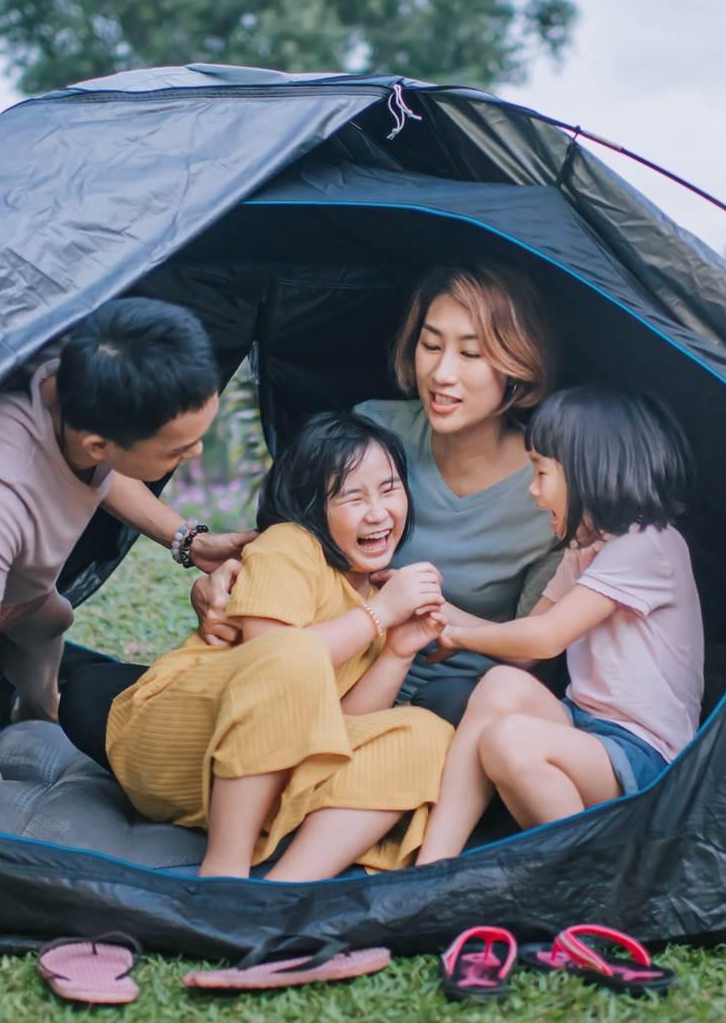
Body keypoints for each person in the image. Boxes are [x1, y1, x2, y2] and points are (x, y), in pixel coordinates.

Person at [190, 264, 561, 725]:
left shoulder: (550, 489)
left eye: (471, 353)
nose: (442, 373)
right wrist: (226, 583)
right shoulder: (376, 430)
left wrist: (429, 610)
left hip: (458, 699)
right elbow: (293, 550)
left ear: (518, 363)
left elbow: (534, 648)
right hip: (334, 670)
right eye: (430, 345)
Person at [0, 298, 253, 821]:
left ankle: (36, 709)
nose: (194, 455)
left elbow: (108, 474)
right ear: (99, 443)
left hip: (30, 597)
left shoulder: (82, 378)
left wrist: (191, 541)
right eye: (177, 451)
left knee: (54, 616)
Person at [104, 412, 457, 880]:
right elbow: (277, 659)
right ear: (310, 504)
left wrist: (398, 649)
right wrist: (379, 616)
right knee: (294, 652)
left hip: (261, 776)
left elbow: (339, 724)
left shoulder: (374, 595)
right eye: (352, 496)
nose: (378, 512)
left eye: (389, 490)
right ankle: (224, 875)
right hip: (175, 742)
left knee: (427, 734)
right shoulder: (288, 546)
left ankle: (284, 892)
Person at [414, 386, 704, 865]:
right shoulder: (587, 549)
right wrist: (433, 610)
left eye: (541, 470)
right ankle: (432, 866)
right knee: (503, 683)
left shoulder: (648, 544)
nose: (532, 488)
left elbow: (545, 640)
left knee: (510, 740)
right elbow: (522, 648)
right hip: (586, 731)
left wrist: (460, 636)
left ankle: (588, 883)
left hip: (645, 759)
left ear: (588, 471)